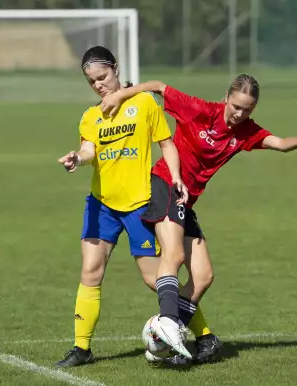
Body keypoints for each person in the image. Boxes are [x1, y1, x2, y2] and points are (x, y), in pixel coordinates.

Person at [100, 73, 297, 364]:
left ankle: (164, 337)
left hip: (186, 201)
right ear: (226, 99)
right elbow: (158, 87)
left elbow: (280, 143)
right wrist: (119, 96)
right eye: (237, 106)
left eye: (248, 109)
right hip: (166, 183)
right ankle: (168, 322)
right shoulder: (201, 110)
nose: (241, 114)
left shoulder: (246, 131)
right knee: (174, 254)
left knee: (204, 276)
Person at [55, 46, 205, 367]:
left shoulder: (144, 103)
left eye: (102, 76)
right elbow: (88, 150)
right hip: (102, 205)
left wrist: (176, 177)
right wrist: (76, 158)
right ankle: (81, 349)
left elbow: (166, 144)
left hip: (139, 205)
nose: (98, 85)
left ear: (116, 69)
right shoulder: (90, 116)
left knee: (154, 279)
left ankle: (205, 335)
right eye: (91, 81)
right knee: (90, 271)